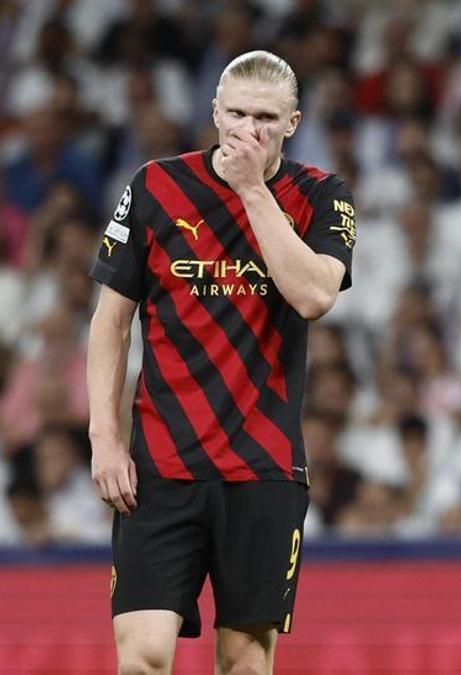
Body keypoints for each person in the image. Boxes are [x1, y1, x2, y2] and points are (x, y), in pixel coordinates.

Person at [86, 50, 355, 675]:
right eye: (235, 113)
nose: (247, 130)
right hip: (161, 464)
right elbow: (110, 321)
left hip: (263, 465)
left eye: (265, 118)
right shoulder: (156, 186)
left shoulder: (320, 194)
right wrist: (104, 437)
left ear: (292, 123)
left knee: (243, 660)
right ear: (213, 112)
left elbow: (315, 295)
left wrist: (252, 189)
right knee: (143, 658)